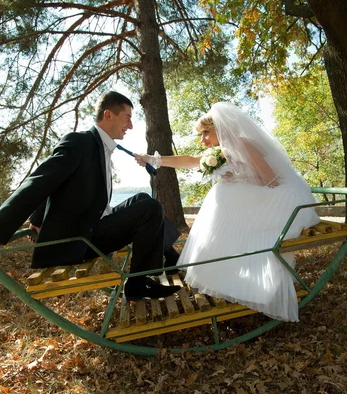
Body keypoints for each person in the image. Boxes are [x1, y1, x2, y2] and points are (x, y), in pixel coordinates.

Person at [0, 91, 180, 301]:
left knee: (142, 199)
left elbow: (58, 184)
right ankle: (137, 284)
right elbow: (39, 182)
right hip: (80, 239)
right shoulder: (80, 142)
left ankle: (170, 259)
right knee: (150, 208)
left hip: (93, 226)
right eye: (127, 118)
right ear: (108, 115)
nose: (131, 126)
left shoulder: (100, 146)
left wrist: (37, 219)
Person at [135, 102, 320, 321]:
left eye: (205, 132)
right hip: (260, 192)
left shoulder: (243, 143)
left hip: (282, 196)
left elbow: (271, 180)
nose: (203, 139)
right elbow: (193, 161)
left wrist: (237, 177)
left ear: (220, 127)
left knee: (225, 195)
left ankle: (253, 282)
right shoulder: (221, 150)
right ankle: (225, 276)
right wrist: (153, 159)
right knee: (221, 195)